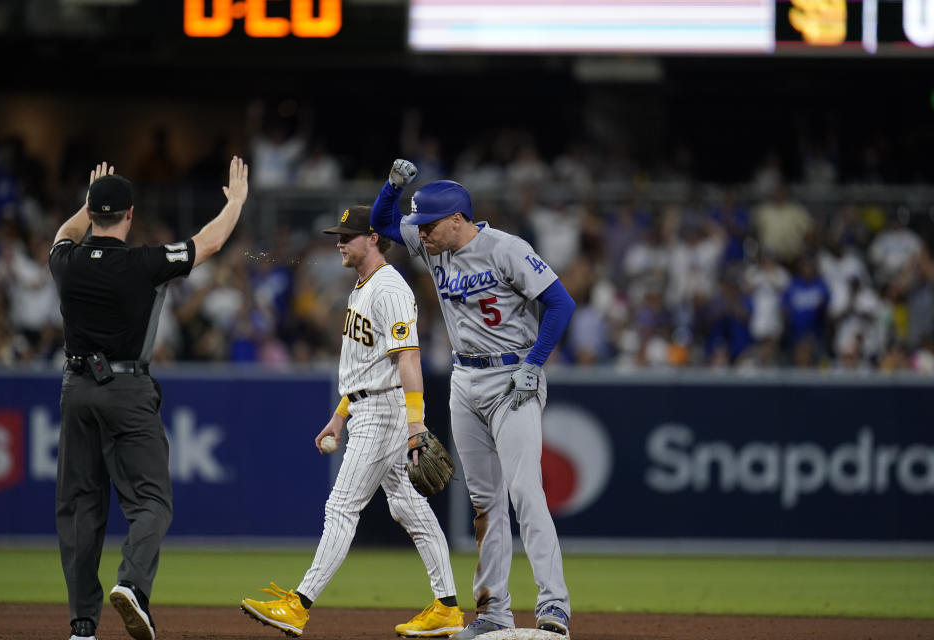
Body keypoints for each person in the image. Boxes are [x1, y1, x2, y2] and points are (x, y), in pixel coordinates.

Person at [371, 160, 575, 638]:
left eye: (429, 226)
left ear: (457, 220)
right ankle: (493, 612)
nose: (420, 234)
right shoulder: (433, 244)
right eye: (419, 226)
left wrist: (534, 364)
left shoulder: (506, 249)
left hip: (512, 375)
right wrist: (392, 187)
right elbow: (382, 222)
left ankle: (554, 606)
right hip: (465, 379)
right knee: (485, 502)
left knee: (525, 492)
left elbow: (561, 302)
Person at [240, 205, 464, 638]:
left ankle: (299, 605)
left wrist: (415, 424)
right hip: (365, 405)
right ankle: (448, 607)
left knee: (341, 507)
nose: (339, 242)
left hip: (384, 411)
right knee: (408, 506)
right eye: (337, 236)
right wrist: (339, 416)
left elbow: (408, 360)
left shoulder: (390, 289)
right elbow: (365, 367)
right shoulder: (361, 288)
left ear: (374, 238)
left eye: (348, 235)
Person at [49, 157, 249, 640]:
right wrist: (237, 202)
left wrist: (87, 203)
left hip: (76, 389)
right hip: (127, 388)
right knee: (152, 501)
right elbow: (212, 241)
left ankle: (82, 626)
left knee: (79, 509)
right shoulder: (143, 264)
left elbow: (63, 232)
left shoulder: (66, 263)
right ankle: (133, 585)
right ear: (131, 215)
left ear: (93, 213)